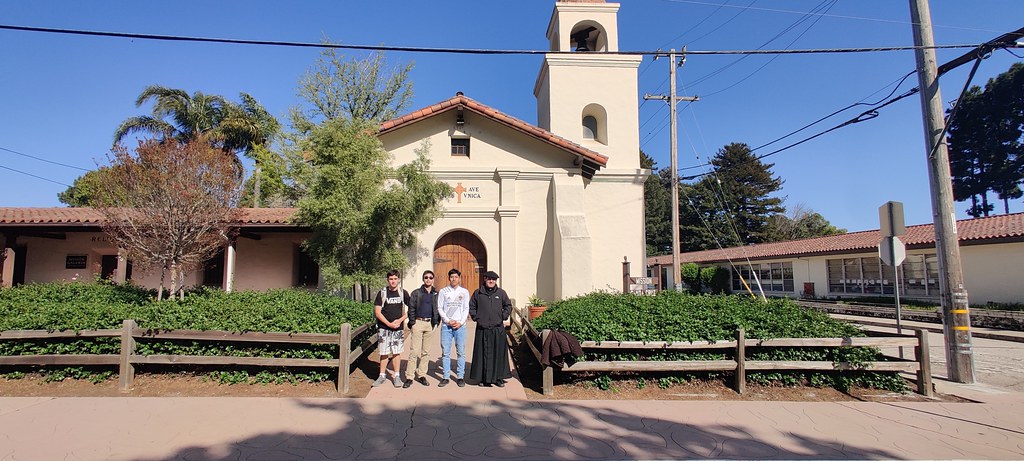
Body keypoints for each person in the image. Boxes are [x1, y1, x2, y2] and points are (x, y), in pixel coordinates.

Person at [468, 270, 513, 387]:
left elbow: (508, 306)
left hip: (497, 329)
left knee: (498, 354)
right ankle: (483, 379)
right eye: (489, 279)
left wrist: (503, 316)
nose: (491, 281)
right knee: (482, 354)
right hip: (482, 329)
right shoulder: (478, 293)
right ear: (485, 280)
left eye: (493, 280)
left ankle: (498, 378)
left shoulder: (501, 293)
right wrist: (477, 317)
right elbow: (472, 306)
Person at [372, 270, 410, 388]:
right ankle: (382, 375)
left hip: (398, 329)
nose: (393, 281)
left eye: (395, 279)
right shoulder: (382, 293)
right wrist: (388, 324)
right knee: (384, 352)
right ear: (388, 280)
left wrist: (400, 320)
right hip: (384, 328)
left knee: (396, 352)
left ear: (398, 280)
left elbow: (412, 309)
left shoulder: (403, 293)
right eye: (391, 279)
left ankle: (397, 376)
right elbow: (377, 312)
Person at [404, 270, 439, 388]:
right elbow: (411, 308)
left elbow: (438, 308)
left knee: (426, 352)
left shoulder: (436, 294)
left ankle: (422, 374)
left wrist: (436, 322)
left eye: (430, 277)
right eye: (426, 277)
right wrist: (413, 322)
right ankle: (409, 377)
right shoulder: (416, 293)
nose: (428, 279)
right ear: (423, 279)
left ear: (433, 279)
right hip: (418, 323)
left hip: (430, 324)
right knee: (414, 351)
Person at [436, 268, 470, 387]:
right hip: (447, 326)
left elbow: (466, 308)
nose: (454, 279)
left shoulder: (464, 292)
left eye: (456, 277)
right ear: (449, 278)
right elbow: (440, 307)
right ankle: (445, 376)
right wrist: (447, 320)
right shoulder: (443, 291)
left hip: (460, 327)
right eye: (451, 277)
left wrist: (460, 322)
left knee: (461, 352)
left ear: (459, 278)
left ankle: (460, 376)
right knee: (446, 352)